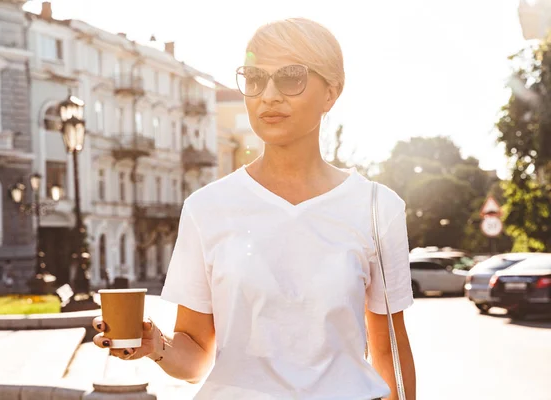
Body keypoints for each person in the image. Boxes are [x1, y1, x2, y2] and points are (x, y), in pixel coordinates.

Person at [93, 17, 416, 400]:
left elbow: (389, 351)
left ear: (331, 92)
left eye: (290, 77)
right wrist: (156, 345)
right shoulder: (206, 208)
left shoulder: (378, 207)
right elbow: (196, 360)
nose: (269, 96)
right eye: (255, 78)